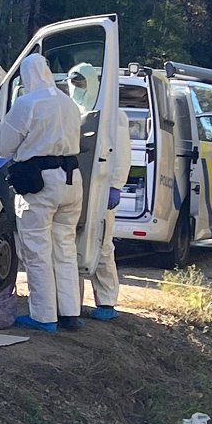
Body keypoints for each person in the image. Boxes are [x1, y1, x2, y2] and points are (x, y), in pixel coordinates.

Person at [0, 54, 84, 333]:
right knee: (65, 249)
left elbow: (5, 144)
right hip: (71, 180)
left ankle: (44, 316)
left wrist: (7, 154)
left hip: (39, 183)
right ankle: (70, 313)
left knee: (37, 250)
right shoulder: (69, 103)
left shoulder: (27, 103)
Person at [86, 108, 131, 320]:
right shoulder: (74, 108)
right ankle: (69, 303)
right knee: (70, 248)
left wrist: (116, 185)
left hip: (102, 189)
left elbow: (121, 153)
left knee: (102, 245)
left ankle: (106, 301)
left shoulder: (114, 114)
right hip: (80, 189)